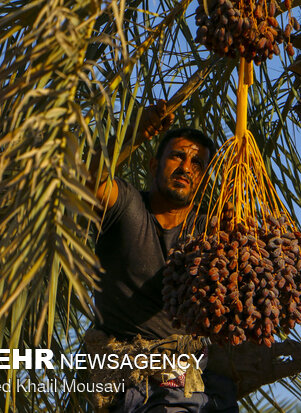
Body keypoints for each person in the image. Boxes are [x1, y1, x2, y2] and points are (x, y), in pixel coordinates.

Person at [89, 101, 239, 412]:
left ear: (203, 181)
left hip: (185, 376)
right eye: (177, 157)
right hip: (124, 376)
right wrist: (132, 132)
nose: (187, 168)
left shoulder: (207, 233)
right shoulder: (126, 207)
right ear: (153, 164)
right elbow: (89, 180)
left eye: (197, 163)